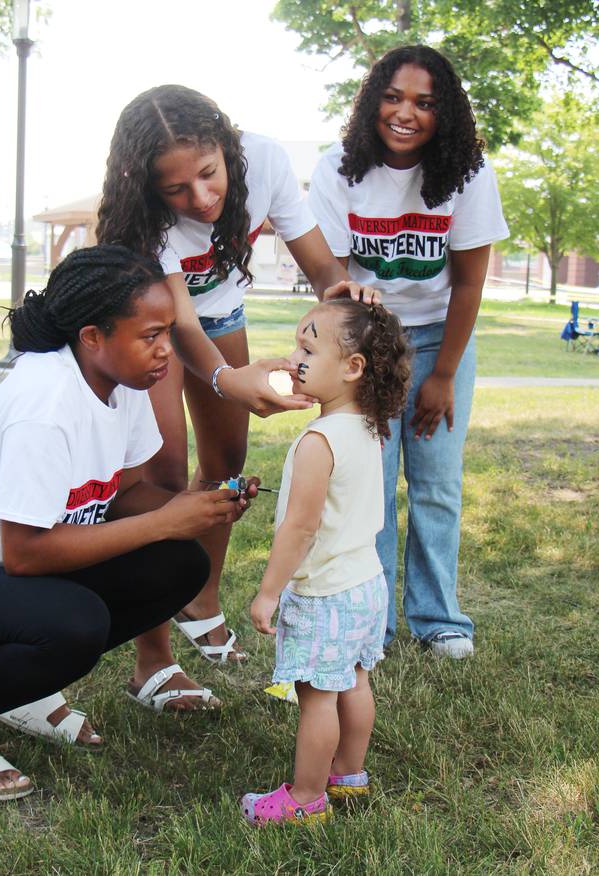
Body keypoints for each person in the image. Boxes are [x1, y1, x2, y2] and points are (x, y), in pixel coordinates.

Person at [0, 245, 256, 802]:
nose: (166, 350)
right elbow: (25, 552)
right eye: (150, 335)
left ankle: (22, 689)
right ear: (92, 336)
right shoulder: (45, 401)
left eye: (169, 329)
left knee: (178, 564)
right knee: (75, 622)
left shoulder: (120, 383)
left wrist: (201, 505)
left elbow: (121, 494)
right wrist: (164, 521)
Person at [95, 84, 379, 706]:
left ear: (227, 147)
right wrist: (229, 379)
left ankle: (200, 598)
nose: (200, 199)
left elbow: (321, 265)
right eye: (176, 190)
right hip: (151, 326)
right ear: (149, 189)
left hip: (221, 316)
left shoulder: (267, 161)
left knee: (225, 465)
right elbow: (182, 326)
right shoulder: (143, 223)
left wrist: (344, 292)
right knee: (163, 479)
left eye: (208, 174)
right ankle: (154, 659)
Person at [307, 45, 509, 659]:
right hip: (366, 343)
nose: (406, 113)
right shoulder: (339, 168)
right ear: (373, 101)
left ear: (444, 112)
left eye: (424, 102)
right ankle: (372, 623)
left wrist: (443, 374)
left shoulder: (468, 173)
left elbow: (469, 284)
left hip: (440, 336)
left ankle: (438, 619)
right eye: (393, 97)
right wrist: (354, 320)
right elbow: (329, 277)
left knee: (436, 485)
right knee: (368, 484)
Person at [243, 298, 410, 824]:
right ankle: (349, 775)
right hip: (366, 584)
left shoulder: (318, 441)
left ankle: (305, 798)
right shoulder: (368, 428)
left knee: (317, 697)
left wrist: (269, 591)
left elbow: (301, 527)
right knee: (355, 680)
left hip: (326, 595)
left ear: (353, 367)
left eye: (308, 348)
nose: (294, 358)